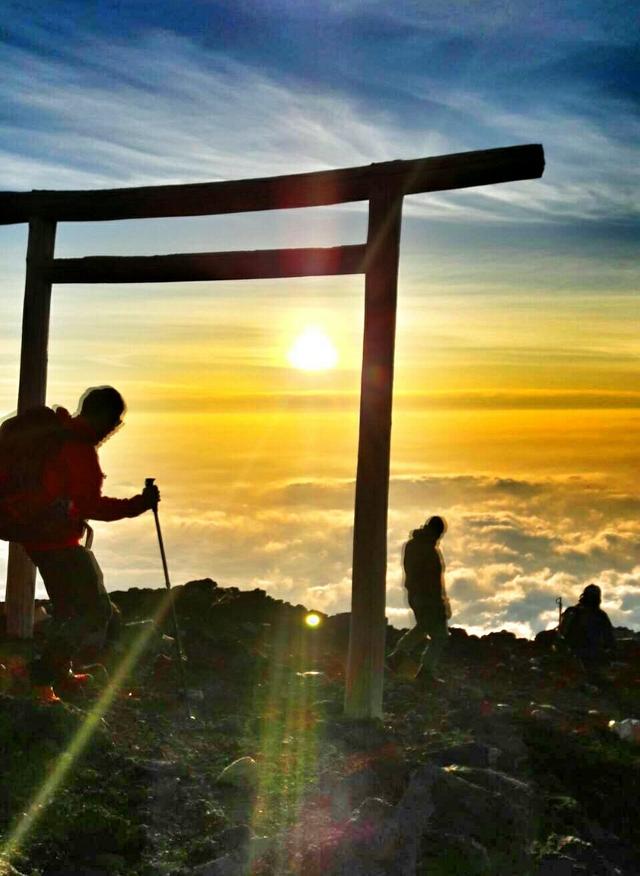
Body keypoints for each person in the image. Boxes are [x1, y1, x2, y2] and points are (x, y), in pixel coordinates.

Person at [20, 386, 160, 703]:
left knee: (69, 609)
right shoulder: (77, 448)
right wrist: (138, 504)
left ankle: (58, 673)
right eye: (113, 421)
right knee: (94, 611)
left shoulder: (59, 438)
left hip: (41, 539)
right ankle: (42, 678)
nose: (113, 429)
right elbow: (91, 506)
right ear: (99, 415)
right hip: (58, 543)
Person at [387, 515, 451, 685]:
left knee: (423, 627)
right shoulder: (426, 549)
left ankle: (397, 657)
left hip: (419, 597)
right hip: (428, 599)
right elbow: (430, 580)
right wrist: (440, 603)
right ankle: (424, 671)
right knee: (439, 636)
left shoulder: (415, 545)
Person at [557, 583, 616, 682]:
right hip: (592, 654)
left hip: (572, 652)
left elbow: (562, 633)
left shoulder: (572, 612)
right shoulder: (600, 616)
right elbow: (609, 639)